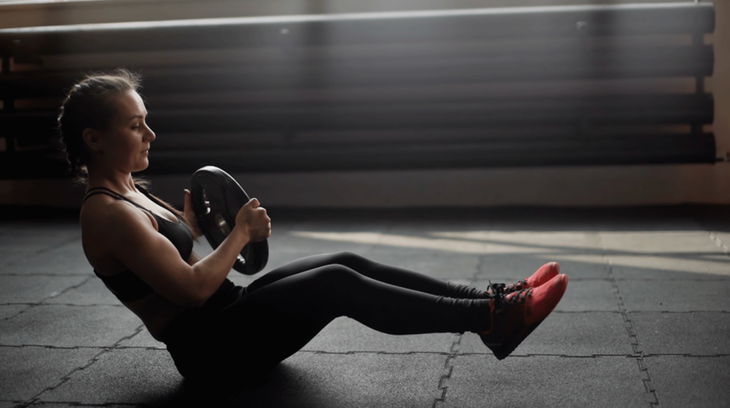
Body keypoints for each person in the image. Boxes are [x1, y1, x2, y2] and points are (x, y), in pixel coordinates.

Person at [58, 69, 568, 383]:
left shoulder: (130, 190)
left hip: (227, 315)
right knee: (334, 285)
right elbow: (190, 291)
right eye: (134, 125)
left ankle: (491, 301)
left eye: (146, 119)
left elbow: (170, 261)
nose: (150, 132)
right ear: (94, 139)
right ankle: (492, 320)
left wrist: (191, 227)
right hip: (212, 350)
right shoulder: (104, 212)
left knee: (341, 260)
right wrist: (239, 232)